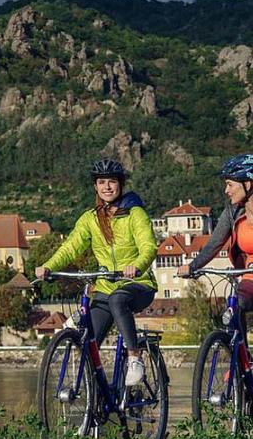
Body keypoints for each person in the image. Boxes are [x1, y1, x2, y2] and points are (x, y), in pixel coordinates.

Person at [35, 158, 158, 386]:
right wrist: (49, 266)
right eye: (102, 182)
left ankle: (134, 358)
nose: (107, 187)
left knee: (118, 300)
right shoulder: (90, 219)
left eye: (112, 182)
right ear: (95, 186)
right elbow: (71, 247)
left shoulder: (135, 214)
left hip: (137, 284)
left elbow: (149, 246)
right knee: (89, 341)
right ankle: (96, 401)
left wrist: (137, 266)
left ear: (120, 184)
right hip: (104, 287)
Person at [177, 154, 253, 341]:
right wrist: (193, 266)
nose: (226, 190)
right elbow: (215, 243)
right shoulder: (233, 212)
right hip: (249, 276)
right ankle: (241, 362)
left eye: (230, 184)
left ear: (248, 184)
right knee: (235, 304)